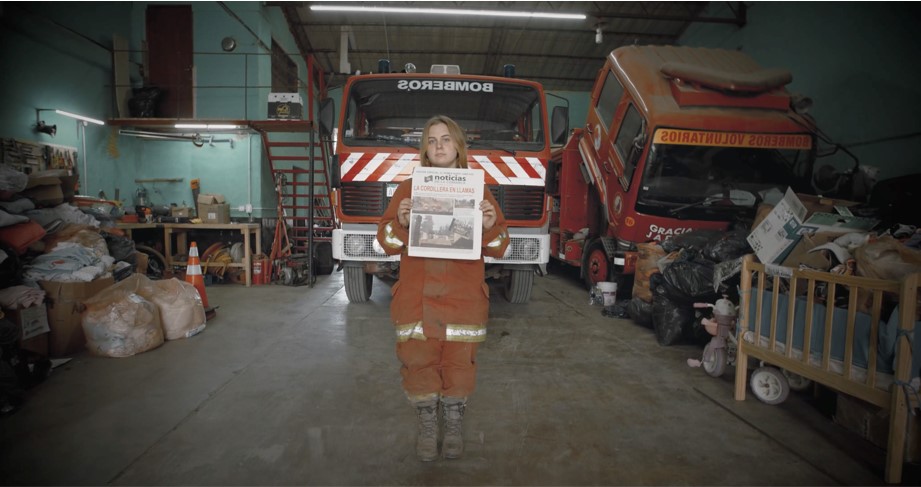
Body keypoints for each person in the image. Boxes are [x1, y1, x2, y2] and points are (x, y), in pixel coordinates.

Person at [376, 115, 510, 461]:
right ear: (424, 149)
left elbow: (500, 248)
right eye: (432, 140)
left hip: (462, 300)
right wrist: (402, 223)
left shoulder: (477, 191)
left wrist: (491, 226)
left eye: (446, 139)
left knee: (458, 363)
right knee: (417, 360)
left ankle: (452, 421)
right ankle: (426, 423)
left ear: (458, 147)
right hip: (416, 299)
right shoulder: (408, 189)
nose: (439, 146)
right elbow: (385, 242)